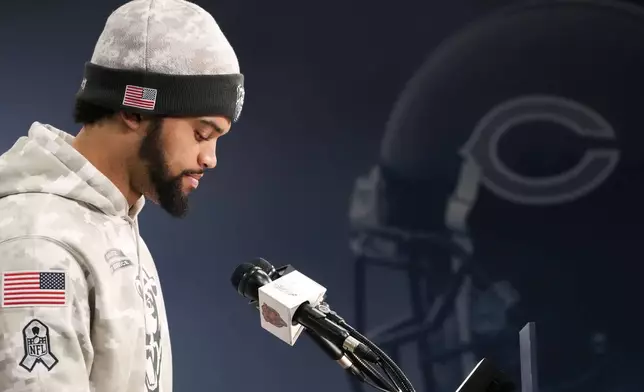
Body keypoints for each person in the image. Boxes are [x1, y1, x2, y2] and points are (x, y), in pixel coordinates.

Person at [0, 0, 244, 391]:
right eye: (201, 133)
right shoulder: (39, 245)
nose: (210, 158)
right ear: (135, 109)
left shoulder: (114, 223)